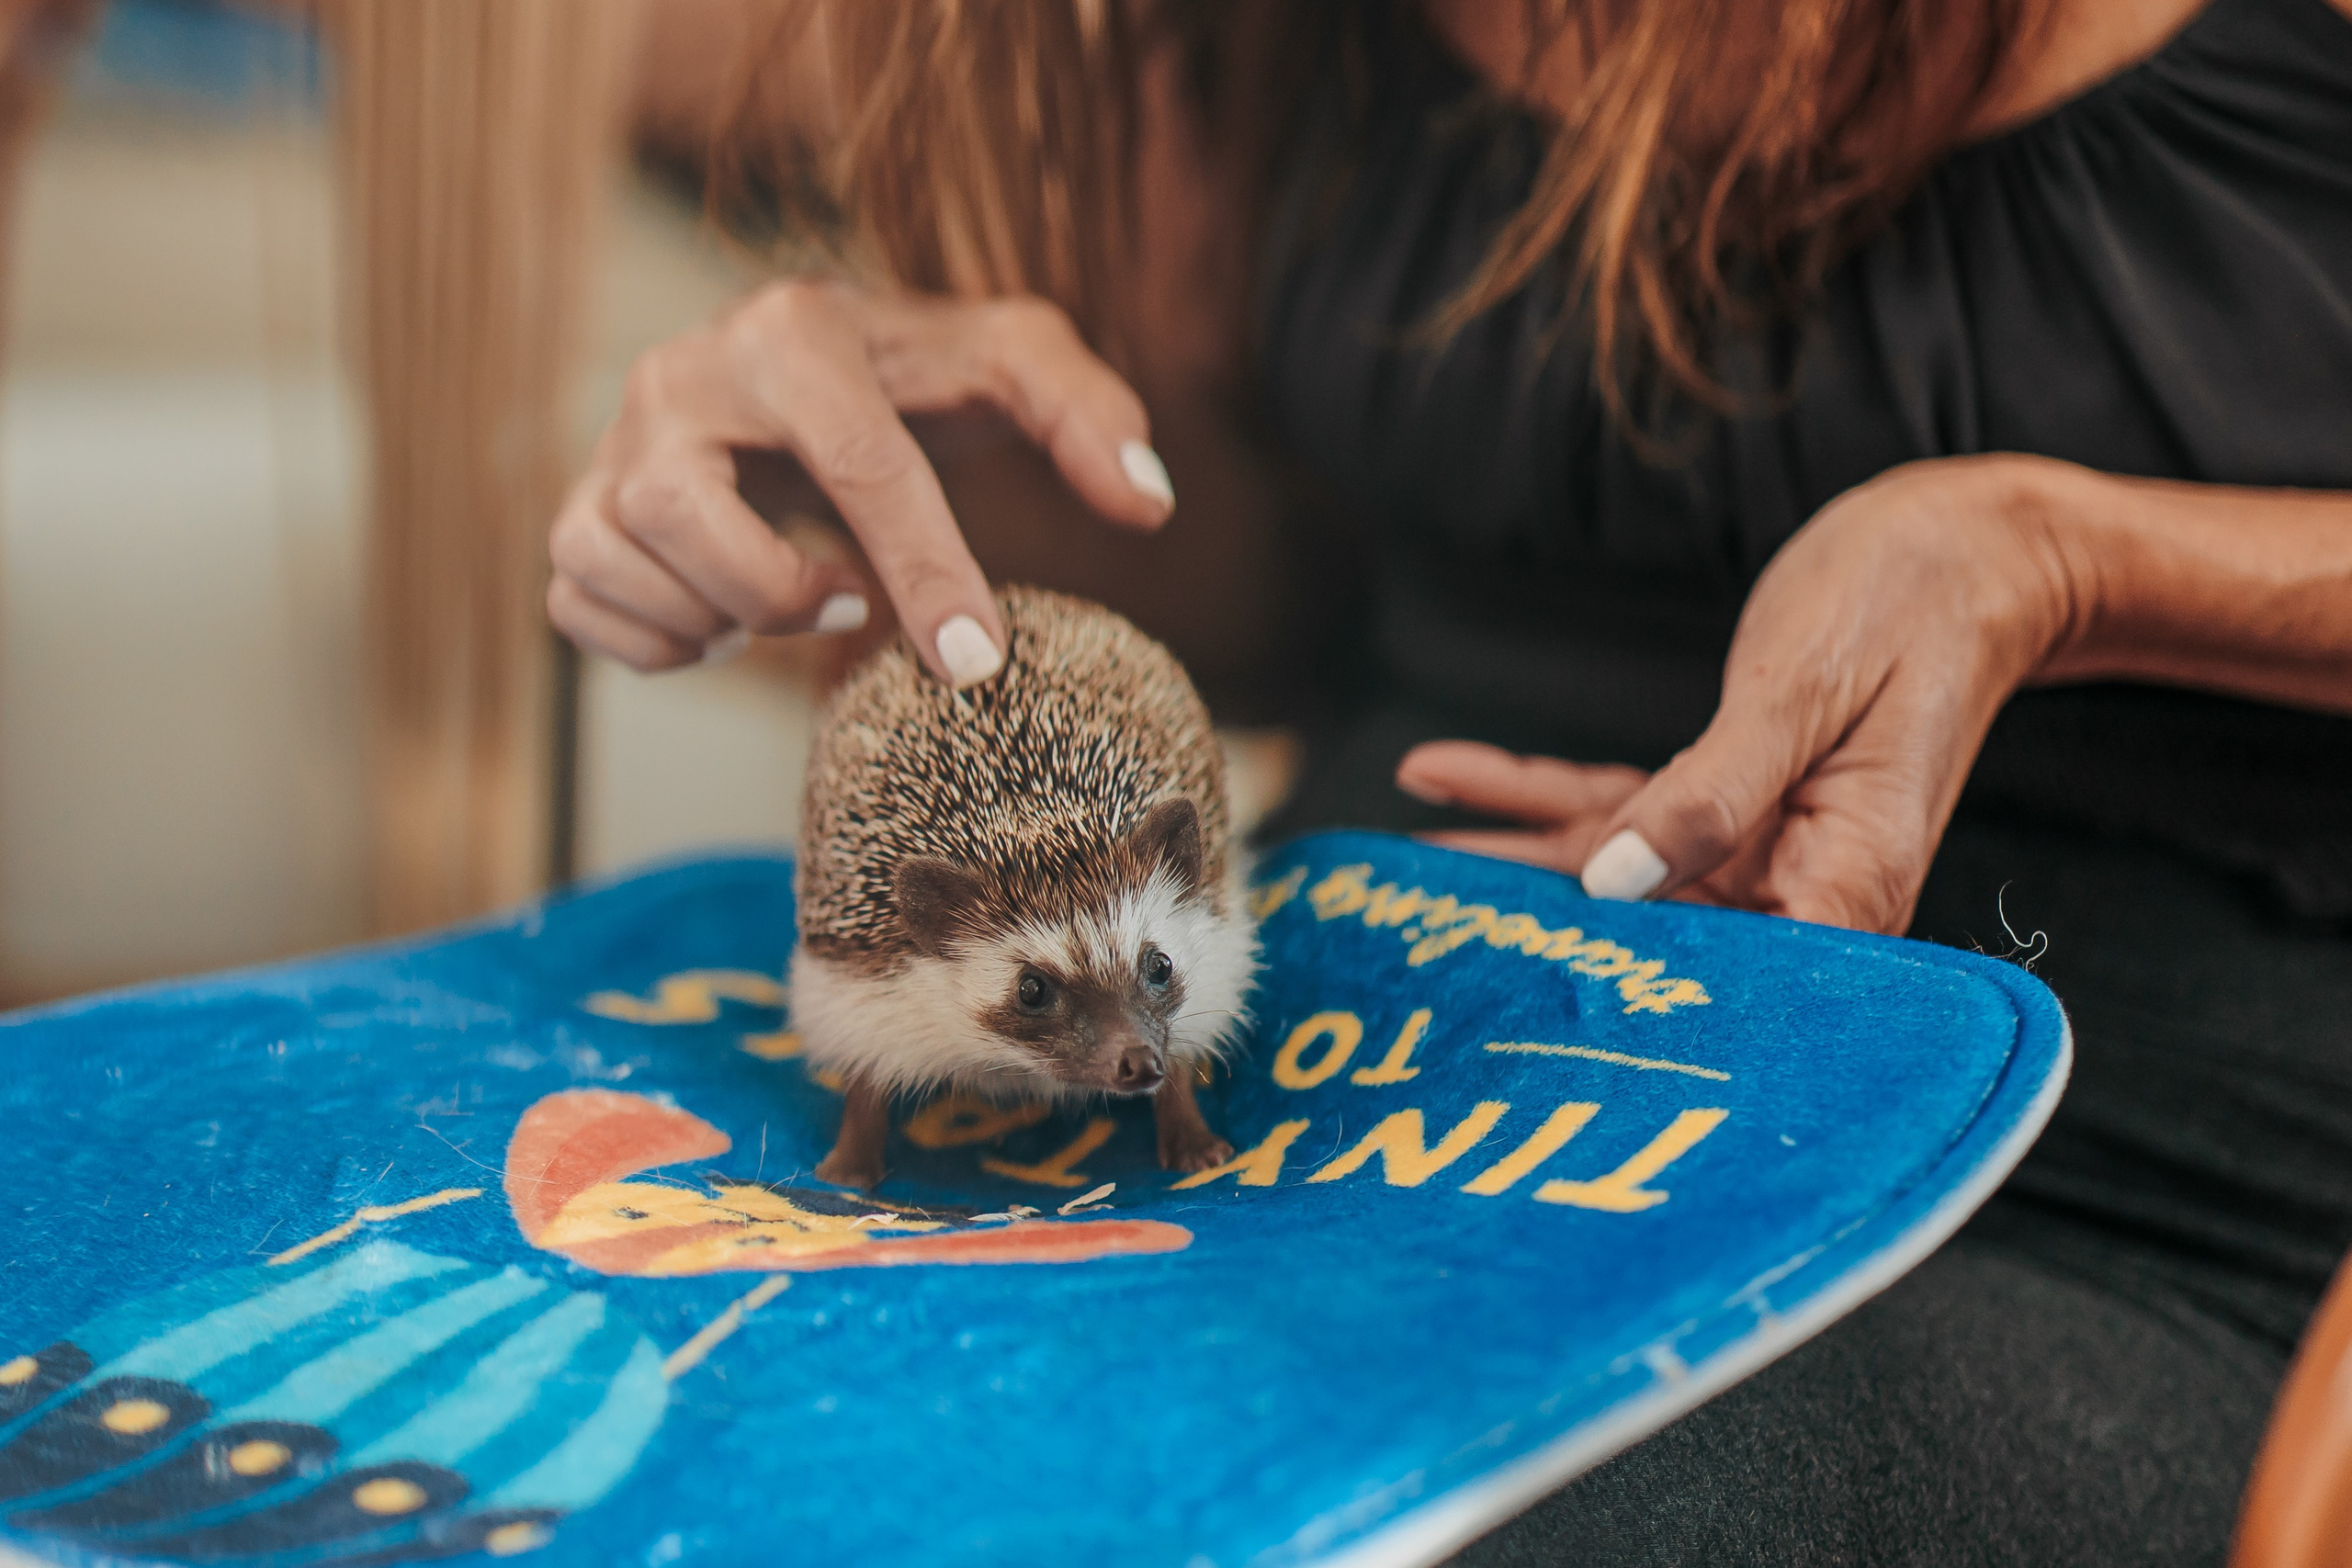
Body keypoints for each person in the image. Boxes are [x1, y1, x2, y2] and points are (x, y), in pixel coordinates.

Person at [548, 1, 2352, 1560]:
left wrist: (2056, 554)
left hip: (2122, 1196)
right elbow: (1287, 594)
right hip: (1358, 1092)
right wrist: (879, 490)